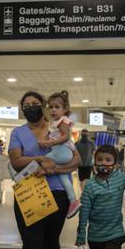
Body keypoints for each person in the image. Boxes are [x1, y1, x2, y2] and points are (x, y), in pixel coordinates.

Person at [8, 91, 81, 249]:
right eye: (26, 104)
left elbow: (76, 160)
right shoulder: (18, 132)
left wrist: (55, 169)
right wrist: (41, 159)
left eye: (35, 103)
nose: (31, 107)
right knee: (31, 245)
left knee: (51, 242)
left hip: (57, 194)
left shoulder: (58, 127)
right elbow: (16, 161)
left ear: (45, 106)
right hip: (30, 194)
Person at [38, 90, 81, 218]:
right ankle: (73, 201)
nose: (53, 110)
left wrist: (50, 143)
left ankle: (17, 175)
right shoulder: (54, 123)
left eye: (57, 107)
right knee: (63, 176)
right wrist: (46, 141)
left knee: (40, 160)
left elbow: (66, 137)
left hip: (63, 151)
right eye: (51, 107)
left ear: (65, 109)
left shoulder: (63, 121)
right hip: (62, 153)